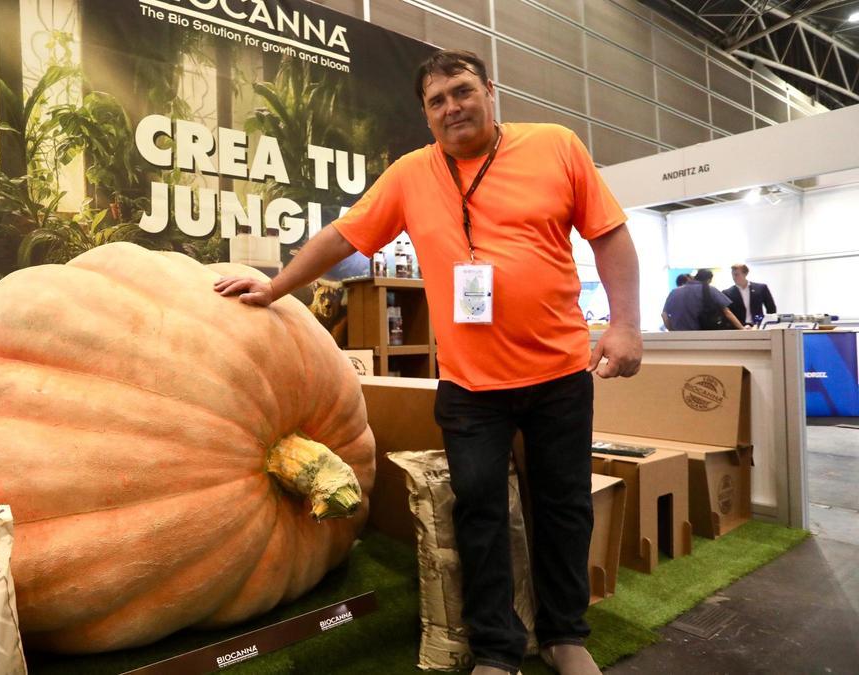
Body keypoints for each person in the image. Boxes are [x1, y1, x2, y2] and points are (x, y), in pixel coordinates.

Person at [216, 49, 642, 675]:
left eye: (463, 92)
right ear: (425, 113)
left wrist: (626, 325)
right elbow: (344, 235)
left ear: (490, 91)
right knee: (478, 512)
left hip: (559, 373)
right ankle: (496, 648)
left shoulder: (556, 145)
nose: (452, 108)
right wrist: (278, 285)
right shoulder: (412, 174)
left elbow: (609, 234)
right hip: (471, 385)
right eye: (437, 101)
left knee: (564, 507)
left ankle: (564, 636)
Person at [661, 269, 742, 331]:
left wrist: (672, 331)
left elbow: (664, 315)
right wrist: (742, 329)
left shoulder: (674, 292)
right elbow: (727, 312)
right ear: (709, 280)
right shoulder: (710, 290)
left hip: (679, 339)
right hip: (703, 337)